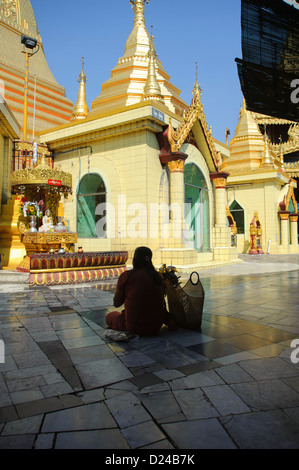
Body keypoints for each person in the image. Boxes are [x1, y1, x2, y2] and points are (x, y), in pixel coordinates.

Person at [106, 246, 167, 336]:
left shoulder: (127, 276)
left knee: (110, 316)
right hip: (156, 325)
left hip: (135, 326)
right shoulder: (158, 277)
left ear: (135, 259)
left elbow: (116, 303)